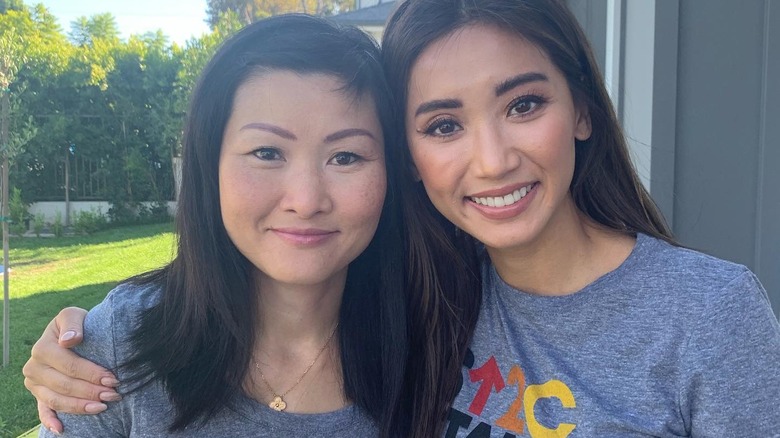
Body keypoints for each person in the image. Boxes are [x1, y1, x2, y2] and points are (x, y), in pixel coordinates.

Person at [25, 0, 780, 436]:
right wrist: (78, 341)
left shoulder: (708, 312)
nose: (490, 160)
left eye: (524, 105)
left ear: (581, 107)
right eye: (444, 124)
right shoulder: (430, 297)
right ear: (412, 156)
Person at [24, 12, 480, 438]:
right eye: (267, 153)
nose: (306, 201)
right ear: (210, 166)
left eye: (346, 157)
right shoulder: (121, 343)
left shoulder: (441, 342)